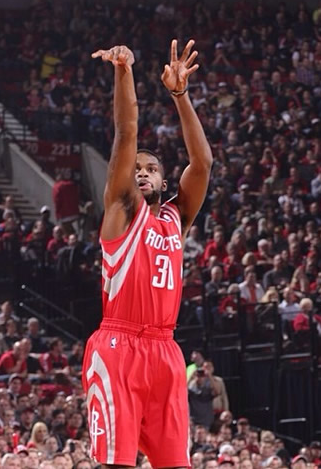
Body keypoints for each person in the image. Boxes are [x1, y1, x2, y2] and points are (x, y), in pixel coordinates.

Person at [82, 40, 212, 468]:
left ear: (163, 179)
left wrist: (181, 95)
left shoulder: (177, 217)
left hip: (165, 350)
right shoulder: (121, 208)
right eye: (136, 168)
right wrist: (124, 72)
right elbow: (126, 131)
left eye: (151, 168)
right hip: (118, 344)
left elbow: (204, 163)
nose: (141, 172)